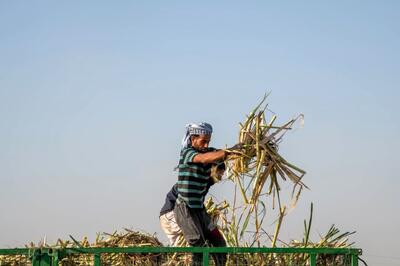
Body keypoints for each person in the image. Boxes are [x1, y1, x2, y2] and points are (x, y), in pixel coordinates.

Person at [173, 122, 236, 266]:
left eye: (208, 141)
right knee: (198, 246)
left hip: (200, 210)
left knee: (219, 244)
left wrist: (240, 150)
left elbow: (217, 156)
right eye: (203, 141)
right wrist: (227, 153)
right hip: (185, 209)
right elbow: (206, 158)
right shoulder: (188, 153)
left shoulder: (209, 152)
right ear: (193, 139)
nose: (206, 145)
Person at [159, 163, 226, 247]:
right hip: (171, 214)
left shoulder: (205, 183)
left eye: (222, 174)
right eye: (220, 173)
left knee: (185, 248)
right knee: (195, 240)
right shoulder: (196, 179)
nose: (221, 177)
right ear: (213, 169)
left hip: (178, 214)